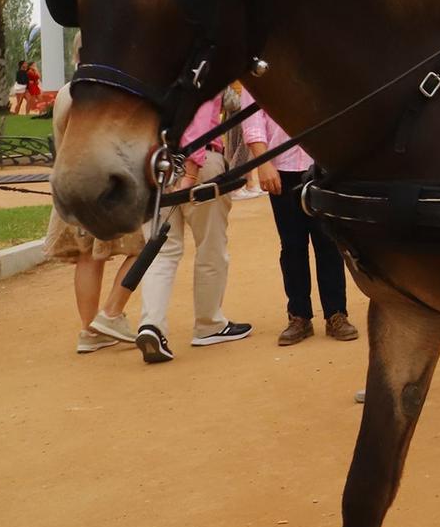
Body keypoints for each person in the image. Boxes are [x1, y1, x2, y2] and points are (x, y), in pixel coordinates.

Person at [128, 95, 252, 362]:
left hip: (153, 164)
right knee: (210, 245)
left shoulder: (146, 69)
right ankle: (209, 324)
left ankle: (151, 324)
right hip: (198, 163)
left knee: (161, 250)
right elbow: (199, 115)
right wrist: (192, 171)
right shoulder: (198, 63)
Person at [241, 97, 358, 346]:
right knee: (292, 246)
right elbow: (253, 118)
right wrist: (263, 163)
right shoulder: (258, 70)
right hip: (281, 170)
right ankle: (299, 317)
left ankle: (336, 313)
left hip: (323, 167)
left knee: (329, 243)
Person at [44, 88, 147, 352]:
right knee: (143, 248)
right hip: (104, 187)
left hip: (71, 182)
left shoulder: (66, 93)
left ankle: (89, 330)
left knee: (86, 256)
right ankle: (112, 313)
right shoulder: (103, 92)